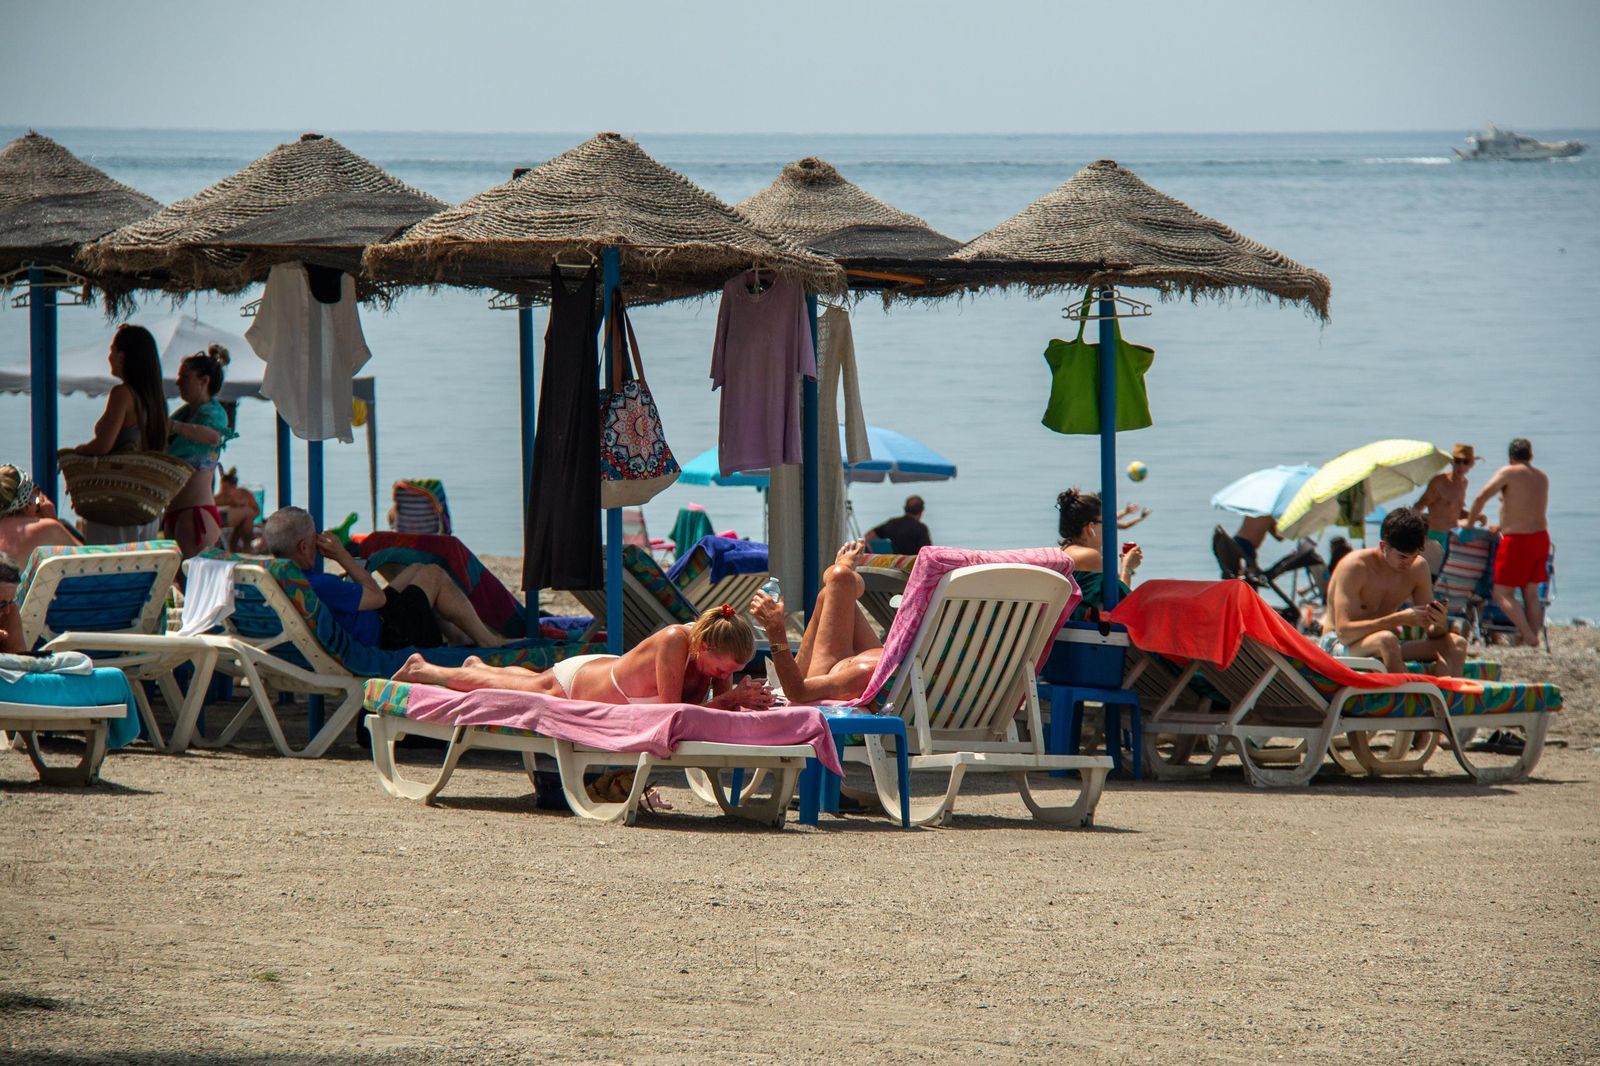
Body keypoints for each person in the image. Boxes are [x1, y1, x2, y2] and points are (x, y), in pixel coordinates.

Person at [391, 603, 773, 710]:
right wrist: (729, 699)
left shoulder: (712, 655)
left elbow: (722, 709)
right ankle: (425, 668)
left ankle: (478, 666)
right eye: (725, 668)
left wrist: (748, 701)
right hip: (582, 684)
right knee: (519, 688)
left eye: (735, 671)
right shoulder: (676, 640)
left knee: (525, 680)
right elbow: (671, 711)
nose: (727, 675)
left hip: (606, 673)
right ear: (705, 648)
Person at [262, 506, 508, 651]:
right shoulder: (321, 584)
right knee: (432, 575)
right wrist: (343, 556)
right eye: (315, 539)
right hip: (383, 639)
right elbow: (377, 598)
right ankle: (487, 641)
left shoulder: (278, 578)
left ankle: (459, 637)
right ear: (304, 547)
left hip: (351, 627)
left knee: (417, 569)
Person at [1318, 507, 1467, 675]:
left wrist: (1438, 621)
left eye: (1414, 555)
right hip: (1337, 645)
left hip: (1382, 643)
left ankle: (1444, 699)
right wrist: (1398, 619)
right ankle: (1407, 696)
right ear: (1384, 546)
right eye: (1402, 557)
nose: (1408, 563)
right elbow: (1344, 633)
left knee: (1457, 644)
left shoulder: (1418, 567)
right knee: (1386, 640)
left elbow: (1433, 633)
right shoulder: (1354, 567)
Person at [750, 539, 883, 703]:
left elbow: (798, 692)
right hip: (876, 661)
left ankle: (842, 575)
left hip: (827, 676)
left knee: (837, 581)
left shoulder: (865, 674)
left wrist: (775, 630)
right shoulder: (893, 664)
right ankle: (842, 576)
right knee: (834, 587)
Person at [72, 323, 170, 544]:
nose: (109, 356)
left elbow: (103, 446)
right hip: (146, 504)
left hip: (116, 505)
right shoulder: (156, 401)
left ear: (123, 355)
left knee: (108, 570)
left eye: (112, 350)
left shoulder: (122, 394)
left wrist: (79, 451)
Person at [1466, 438, 1551, 647]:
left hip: (1518, 540)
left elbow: (1480, 497)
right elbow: (1526, 507)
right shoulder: (1542, 477)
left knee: (1501, 593)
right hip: (1541, 538)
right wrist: (1503, 525)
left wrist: (1469, 523)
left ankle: (1528, 635)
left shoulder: (1509, 472)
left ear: (1511, 457)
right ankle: (1532, 638)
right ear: (1530, 455)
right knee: (1530, 593)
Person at [164, 346, 238, 558]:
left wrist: (173, 427)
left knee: (190, 580)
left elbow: (213, 436)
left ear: (204, 381)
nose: (178, 382)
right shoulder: (185, 414)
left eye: (184, 376)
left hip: (195, 512)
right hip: (176, 511)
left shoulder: (214, 413)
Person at [1056, 488, 1141, 619]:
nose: (1110, 528)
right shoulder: (1089, 557)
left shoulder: (1065, 552)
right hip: (1085, 634)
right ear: (1090, 528)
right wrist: (1127, 567)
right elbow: (1123, 602)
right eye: (1105, 523)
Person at [1415, 443, 1476, 574]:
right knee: (1431, 573)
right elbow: (1419, 506)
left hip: (1451, 536)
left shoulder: (1464, 483)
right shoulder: (1439, 482)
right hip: (1434, 535)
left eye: (1465, 462)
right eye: (1457, 461)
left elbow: (1456, 510)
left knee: (1449, 573)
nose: (1461, 466)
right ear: (1451, 461)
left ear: (1471, 464)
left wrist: (1475, 516)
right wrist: (1414, 534)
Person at [0, 465, 78, 563]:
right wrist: (54, 521)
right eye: (36, 493)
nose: (40, 500)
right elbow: (94, 563)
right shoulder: (46, 528)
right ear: (27, 504)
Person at [865, 495, 931, 556]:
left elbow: (867, 537)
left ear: (905, 508)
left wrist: (871, 551)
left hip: (893, 565)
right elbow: (927, 554)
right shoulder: (921, 529)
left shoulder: (892, 524)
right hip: (912, 566)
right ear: (921, 511)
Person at [215, 467, 261, 552]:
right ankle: (245, 548)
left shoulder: (243, 493)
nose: (226, 490)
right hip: (216, 517)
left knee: (247, 516)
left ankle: (238, 548)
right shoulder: (221, 497)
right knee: (248, 513)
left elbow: (257, 511)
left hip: (226, 519)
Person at [0, 556, 24, 653]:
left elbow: (20, 660)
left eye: (10, 601)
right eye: (1, 604)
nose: (7, 610)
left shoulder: (9, 613)